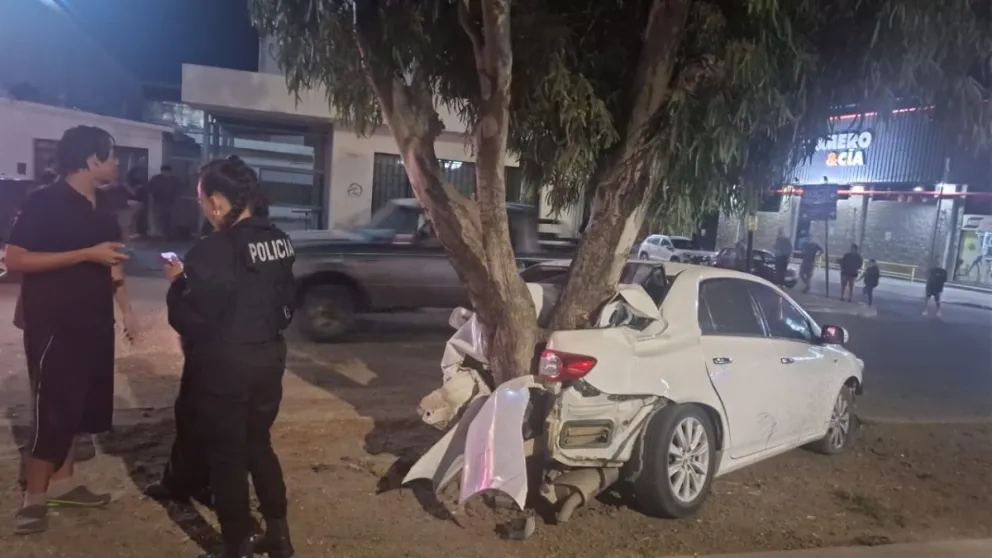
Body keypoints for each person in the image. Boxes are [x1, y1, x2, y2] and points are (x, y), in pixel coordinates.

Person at [148, 155, 296, 558]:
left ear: (217, 201)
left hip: (226, 364)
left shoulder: (213, 248)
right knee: (257, 444)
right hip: (269, 358)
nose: (203, 210)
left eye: (202, 201)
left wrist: (178, 284)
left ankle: (238, 544)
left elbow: (190, 320)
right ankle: (279, 535)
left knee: (226, 455)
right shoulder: (279, 238)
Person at [5, 125, 138, 535]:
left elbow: (112, 261)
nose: (118, 163)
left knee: (79, 407)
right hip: (53, 322)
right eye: (112, 155)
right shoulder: (43, 202)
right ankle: (34, 498)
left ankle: (65, 484)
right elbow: (15, 261)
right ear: (90, 158)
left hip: (93, 320)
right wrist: (84, 254)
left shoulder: (103, 208)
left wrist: (126, 309)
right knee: (55, 408)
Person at [148, 164, 183, 239]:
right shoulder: (156, 179)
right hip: (158, 203)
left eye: (168, 172)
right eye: (165, 172)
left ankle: (169, 235)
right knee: (160, 219)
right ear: (162, 171)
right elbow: (150, 191)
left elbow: (180, 188)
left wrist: (176, 198)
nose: (167, 173)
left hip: (171, 203)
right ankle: (159, 235)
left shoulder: (174, 180)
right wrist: (151, 202)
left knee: (170, 219)